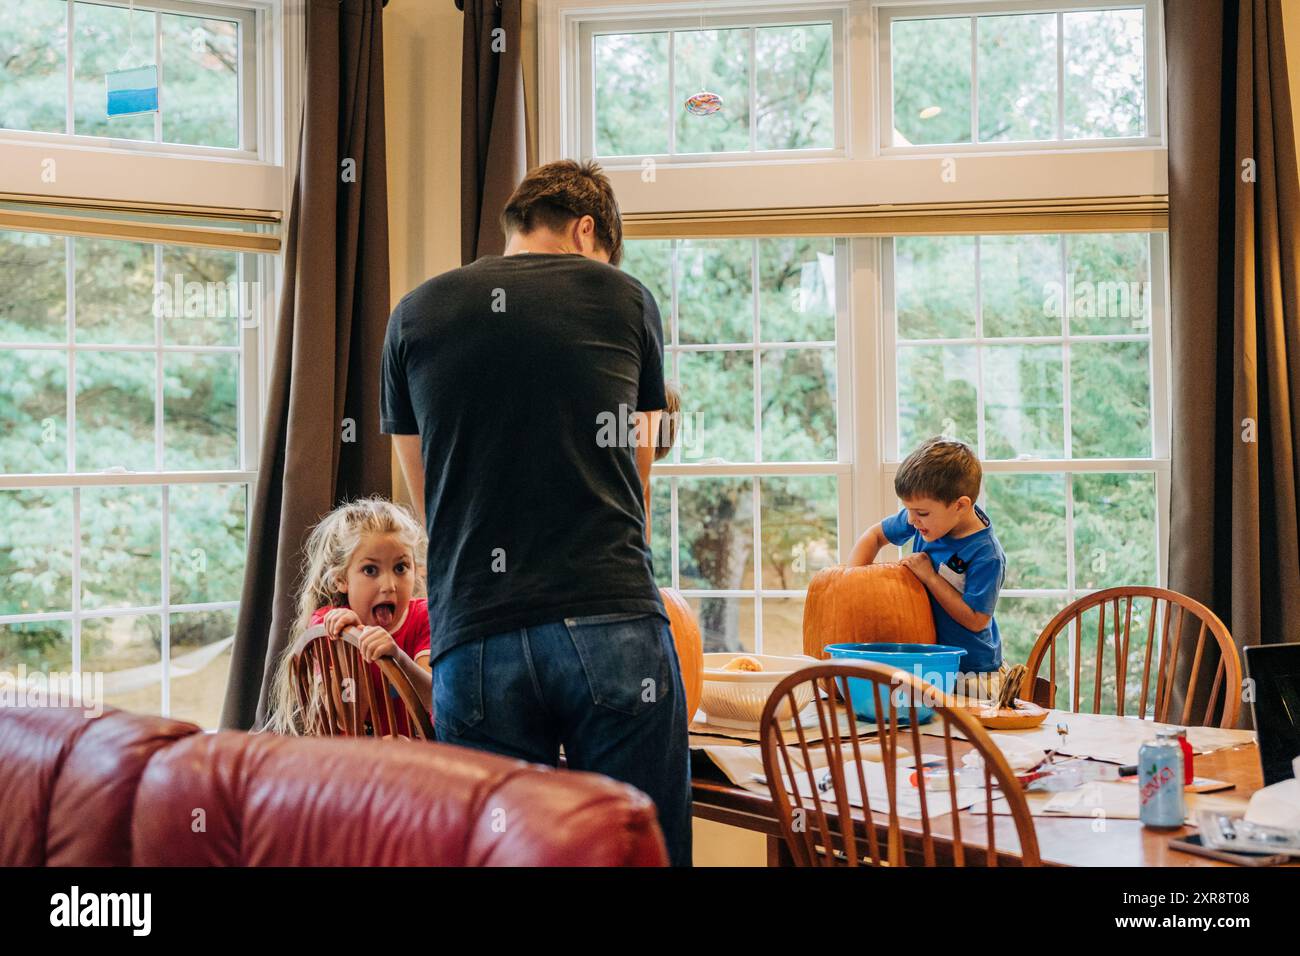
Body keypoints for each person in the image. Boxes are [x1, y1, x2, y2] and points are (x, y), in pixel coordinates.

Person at [380, 160, 691, 865]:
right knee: (639, 848)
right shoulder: (626, 297)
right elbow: (634, 479)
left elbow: (424, 491)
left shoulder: (414, 313)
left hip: (475, 633)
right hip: (608, 615)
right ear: (588, 231)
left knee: (500, 853)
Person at [847, 437, 1008, 702]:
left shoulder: (986, 554)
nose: (911, 520)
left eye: (920, 513)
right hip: (929, 662)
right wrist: (850, 582)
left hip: (972, 673)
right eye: (908, 510)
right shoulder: (926, 518)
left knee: (962, 741)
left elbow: (977, 618)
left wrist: (930, 578)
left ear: (960, 506)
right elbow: (874, 536)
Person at [264, 497, 432, 736]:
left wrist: (398, 657)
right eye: (370, 570)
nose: (389, 585)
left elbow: (437, 701)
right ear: (341, 579)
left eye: (401, 568)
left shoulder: (423, 616)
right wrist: (347, 643)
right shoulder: (328, 623)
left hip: (414, 758)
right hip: (354, 760)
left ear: (416, 570)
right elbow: (347, 720)